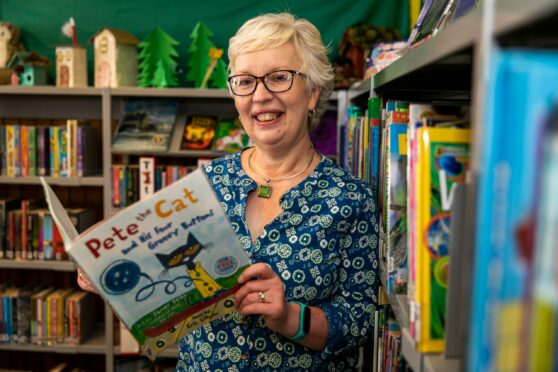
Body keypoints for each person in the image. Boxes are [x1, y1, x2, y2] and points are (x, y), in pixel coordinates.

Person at [78, 12, 379, 371]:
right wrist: (112, 265)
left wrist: (289, 318)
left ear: (313, 92)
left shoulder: (350, 199)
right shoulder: (205, 183)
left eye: (279, 78)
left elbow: (360, 322)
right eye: (245, 81)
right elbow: (169, 284)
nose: (261, 96)